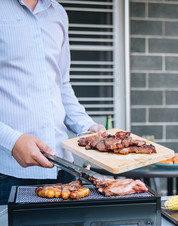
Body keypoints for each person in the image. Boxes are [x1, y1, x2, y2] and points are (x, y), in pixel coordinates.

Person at [0, 0, 105, 204]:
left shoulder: (58, 13)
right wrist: (11, 141)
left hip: (65, 171)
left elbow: (61, 83)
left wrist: (87, 127)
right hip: (6, 174)